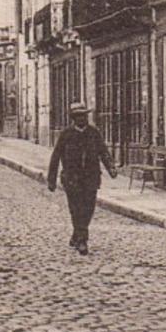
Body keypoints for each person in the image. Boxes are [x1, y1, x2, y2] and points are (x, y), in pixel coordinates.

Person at [46, 102, 116, 255]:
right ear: (73, 118)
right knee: (76, 209)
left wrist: (110, 167)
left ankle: (77, 234)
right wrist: (51, 179)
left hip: (91, 177)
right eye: (78, 116)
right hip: (72, 178)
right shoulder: (66, 135)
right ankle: (82, 239)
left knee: (89, 209)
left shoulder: (93, 133)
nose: (82, 119)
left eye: (84, 116)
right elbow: (55, 157)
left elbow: (103, 151)